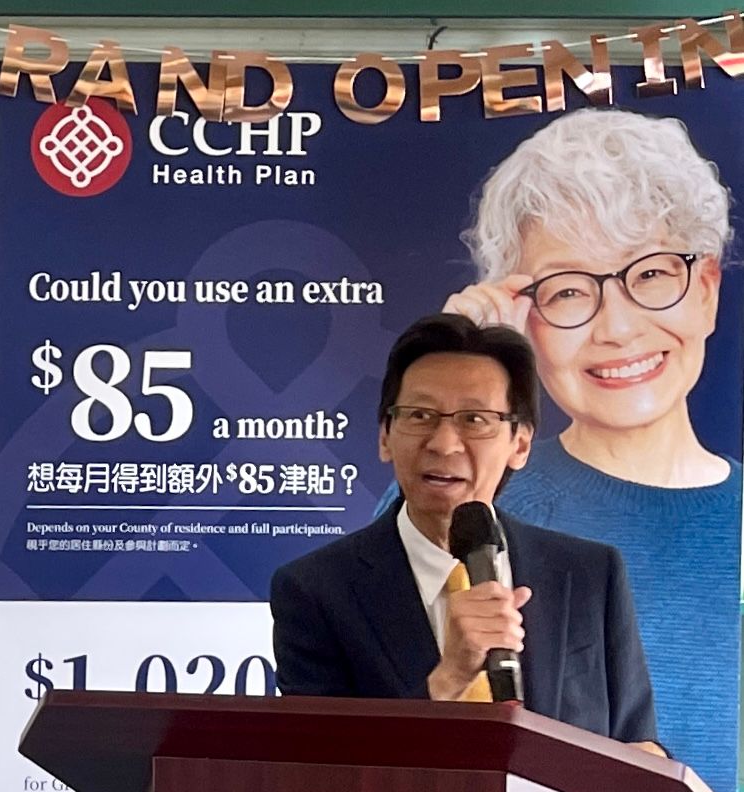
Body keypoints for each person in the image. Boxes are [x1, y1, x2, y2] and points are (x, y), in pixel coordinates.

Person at [447, 109, 738, 792]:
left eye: (653, 273)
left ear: (710, 289)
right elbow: (386, 635)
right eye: (570, 290)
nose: (615, 328)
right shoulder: (487, 503)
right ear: (522, 318)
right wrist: (467, 371)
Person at [269, 313, 659, 746]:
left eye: (475, 420)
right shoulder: (315, 590)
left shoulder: (590, 574)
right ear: (384, 436)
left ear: (521, 444)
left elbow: (634, 739)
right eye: (420, 415)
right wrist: (450, 676)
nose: (444, 443)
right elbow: (321, 767)